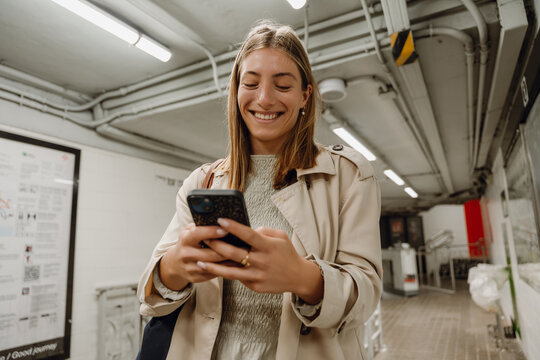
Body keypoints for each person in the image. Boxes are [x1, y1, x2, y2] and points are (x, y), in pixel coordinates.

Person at [137, 20, 382, 360]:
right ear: (236, 91)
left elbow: (366, 294)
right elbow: (150, 295)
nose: (264, 99)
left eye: (282, 85)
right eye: (250, 83)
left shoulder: (347, 176)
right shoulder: (202, 181)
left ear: (304, 95)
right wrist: (175, 268)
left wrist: (303, 277)